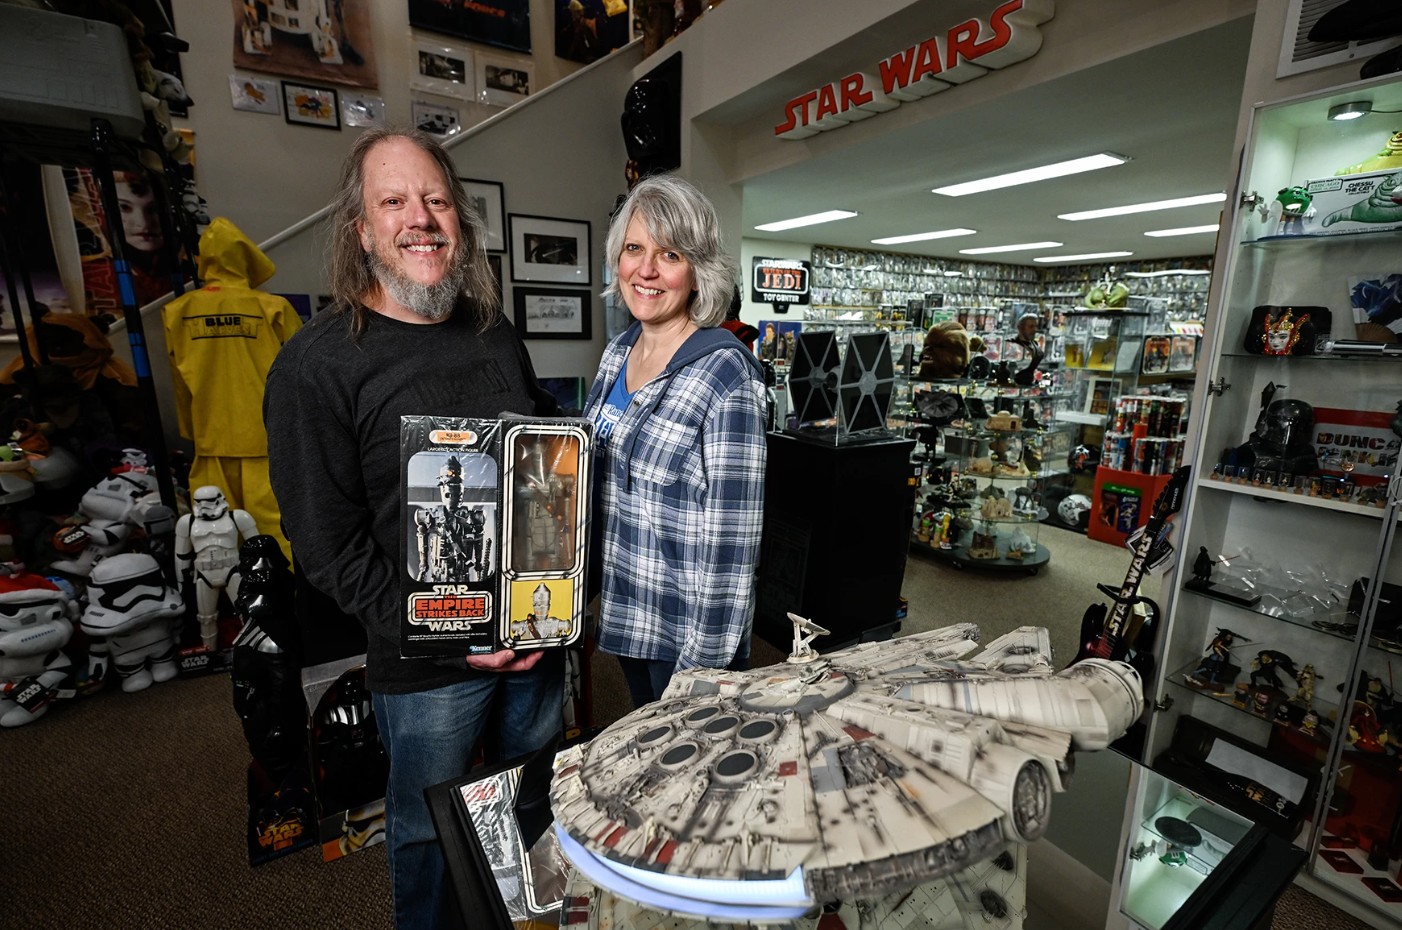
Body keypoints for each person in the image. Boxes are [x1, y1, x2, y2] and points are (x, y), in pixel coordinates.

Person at [263, 128, 562, 930]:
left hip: (535, 634)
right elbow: (325, 544)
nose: (419, 218)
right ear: (361, 230)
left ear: (458, 220)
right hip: (428, 665)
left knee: (530, 803)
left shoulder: (494, 328)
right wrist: (446, 628)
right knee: (429, 830)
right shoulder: (315, 365)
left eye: (434, 200)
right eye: (394, 201)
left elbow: (540, 450)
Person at [584, 174, 767, 708]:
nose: (646, 269)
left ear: (697, 271)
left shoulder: (727, 374)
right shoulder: (617, 352)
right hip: (626, 611)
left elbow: (734, 545)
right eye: (634, 249)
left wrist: (700, 674)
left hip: (688, 635)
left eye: (669, 254)